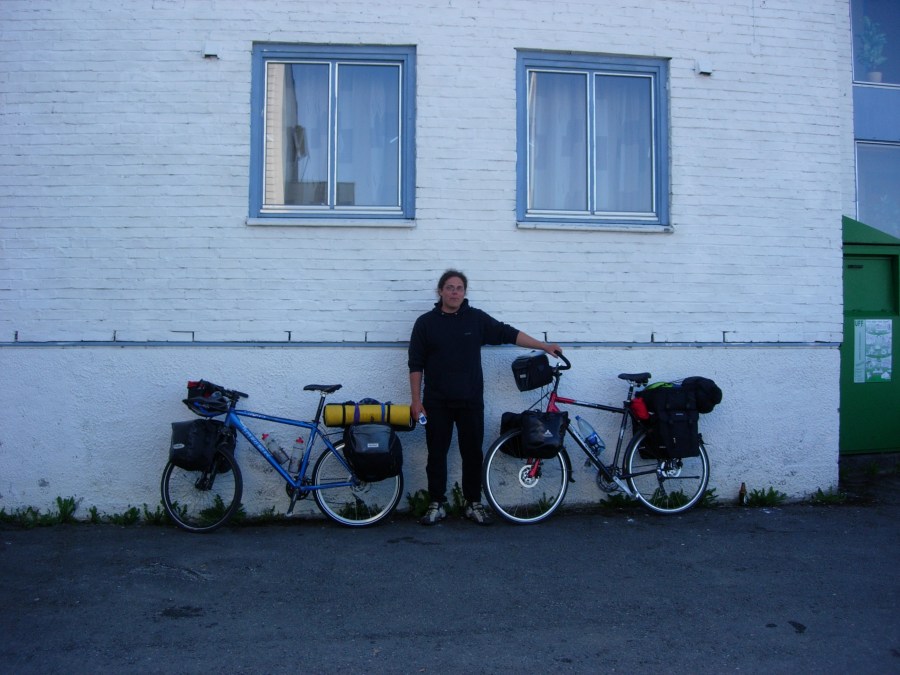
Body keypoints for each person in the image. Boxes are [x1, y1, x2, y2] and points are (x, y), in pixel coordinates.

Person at [408, 270, 562, 526]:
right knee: (436, 454)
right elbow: (415, 364)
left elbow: (507, 333)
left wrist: (544, 346)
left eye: (459, 288)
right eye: (449, 287)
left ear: (464, 293)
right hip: (436, 402)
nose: (454, 292)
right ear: (440, 291)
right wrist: (416, 400)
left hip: (470, 401)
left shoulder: (475, 319)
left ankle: (473, 503)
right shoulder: (425, 323)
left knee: (472, 454)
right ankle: (437, 503)